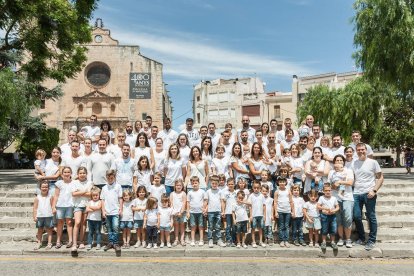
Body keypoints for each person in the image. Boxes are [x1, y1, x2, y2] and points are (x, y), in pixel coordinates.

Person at [352, 143, 383, 251]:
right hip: (356, 193)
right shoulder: (354, 163)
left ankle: (371, 240)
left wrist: (374, 190)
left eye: (362, 149)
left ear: (366, 150)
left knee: (371, 216)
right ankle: (361, 237)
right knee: (356, 216)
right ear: (356, 151)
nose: (361, 151)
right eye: (358, 150)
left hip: (369, 193)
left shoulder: (373, 162)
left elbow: (380, 178)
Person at [328, 155, 354, 248]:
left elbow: (350, 183)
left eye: (340, 160)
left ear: (343, 162)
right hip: (335, 198)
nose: (338, 162)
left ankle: (348, 239)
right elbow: (330, 185)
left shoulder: (348, 171)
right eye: (337, 160)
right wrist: (334, 185)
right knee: (338, 220)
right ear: (334, 162)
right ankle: (341, 238)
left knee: (347, 218)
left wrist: (339, 182)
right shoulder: (331, 172)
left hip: (347, 197)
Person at [52, 166, 74, 249]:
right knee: (60, 223)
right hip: (60, 205)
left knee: (69, 223)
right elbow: (56, 196)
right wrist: (53, 207)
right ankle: (58, 241)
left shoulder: (74, 182)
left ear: (71, 173)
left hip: (70, 205)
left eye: (68, 172)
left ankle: (70, 240)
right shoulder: (59, 183)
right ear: (62, 174)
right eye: (65, 172)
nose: (66, 174)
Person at [71, 167, 92, 251]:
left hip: (86, 205)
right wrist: (85, 191)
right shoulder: (74, 182)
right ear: (78, 174)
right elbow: (73, 194)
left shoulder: (90, 182)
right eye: (80, 173)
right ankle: (74, 243)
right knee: (77, 222)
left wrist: (79, 192)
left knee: (83, 223)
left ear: (86, 174)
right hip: (77, 205)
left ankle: (81, 242)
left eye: (84, 173)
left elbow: (90, 194)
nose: (82, 175)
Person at [101, 169, 123, 252]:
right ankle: (110, 243)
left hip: (115, 211)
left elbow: (120, 198)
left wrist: (121, 209)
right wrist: (103, 211)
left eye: (112, 178)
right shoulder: (104, 188)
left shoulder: (118, 186)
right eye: (108, 178)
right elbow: (102, 200)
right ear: (106, 177)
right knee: (109, 228)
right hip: (107, 211)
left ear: (114, 177)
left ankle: (116, 243)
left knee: (115, 227)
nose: (110, 179)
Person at [204, 175, 226, 248]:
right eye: (213, 183)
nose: (214, 185)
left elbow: (222, 201)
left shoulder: (220, 191)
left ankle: (219, 239)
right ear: (210, 183)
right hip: (210, 211)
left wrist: (223, 211)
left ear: (218, 183)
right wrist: (204, 210)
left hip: (218, 211)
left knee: (218, 226)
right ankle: (210, 239)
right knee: (210, 226)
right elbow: (206, 201)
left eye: (216, 184)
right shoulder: (208, 192)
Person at [317, 183, 340, 250]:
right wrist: (325, 209)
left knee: (333, 229)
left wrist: (334, 210)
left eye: (329, 190)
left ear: (331, 191)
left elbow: (337, 207)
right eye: (326, 190)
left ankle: (332, 242)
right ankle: (324, 242)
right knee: (324, 229)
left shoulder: (334, 198)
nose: (328, 192)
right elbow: (318, 206)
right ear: (323, 191)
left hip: (333, 216)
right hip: (324, 216)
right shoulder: (321, 198)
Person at [33, 181, 54, 250]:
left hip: (49, 215)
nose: (44, 188)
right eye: (43, 187)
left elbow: (52, 206)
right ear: (40, 188)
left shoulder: (50, 197)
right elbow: (35, 208)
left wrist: (53, 215)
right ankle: (39, 242)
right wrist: (34, 216)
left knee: (49, 229)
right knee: (40, 229)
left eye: (46, 187)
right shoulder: (37, 197)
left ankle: (49, 243)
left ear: (48, 188)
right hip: (40, 216)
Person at [274, 177, 293, 247]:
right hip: (280, 211)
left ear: (286, 183)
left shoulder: (288, 191)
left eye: (283, 182)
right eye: (280, 182)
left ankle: (286, 240)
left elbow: (291, 201)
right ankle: (282, 240)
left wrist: (292, 211)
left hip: (287, 211)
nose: (282, 183)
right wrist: (276, 212)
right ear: (278, 183)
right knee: (281, 226)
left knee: (287, 226)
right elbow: (275, 202)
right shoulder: (277, 191)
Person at [186, 176, 205, 246]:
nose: (194, 184)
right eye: (193, 183)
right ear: (191, 184)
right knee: (193, 226)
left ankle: (201, 240)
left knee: (201, 226)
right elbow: (188, 202)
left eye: (196, 183)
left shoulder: (202, 191)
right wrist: (188, 212)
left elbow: (205, 201)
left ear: (199, 183)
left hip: (200, 212)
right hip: (192, 212)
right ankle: (193, 240)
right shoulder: (190, 192)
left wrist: (204, 209)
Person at [248, 180, 267, 248]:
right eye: (254, 188)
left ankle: (261, 241)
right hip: (254, 215)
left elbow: (264, 205)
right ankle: (253, 242)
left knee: (260, 228)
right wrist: (250, 215)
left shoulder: (261, 195)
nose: (256, 189)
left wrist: (264, 215)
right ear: (252, 188)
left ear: (260, 188)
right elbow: (250, 206)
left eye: (258, 188)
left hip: (261, 215)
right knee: (253, 229)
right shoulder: (251, 196)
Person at [170, 179, 187, 246]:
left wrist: (181, 212)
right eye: (177, 185)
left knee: (182, 226)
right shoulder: (172, 194)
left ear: (182, 186)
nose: (178, 186)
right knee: (176, 226)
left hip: (182, 213)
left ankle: (182, 239)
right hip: (175, 213)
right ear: (175, 186)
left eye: (180, 185)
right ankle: (176, 239)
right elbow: (171, 204)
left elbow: (184, 203)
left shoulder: (183, 193)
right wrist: (174, 212)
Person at [221, 177, 237, 247]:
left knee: (234, 227)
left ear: (234, 184)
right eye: (229, 184)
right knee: (228, 227)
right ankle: (228, 240)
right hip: (227, 212)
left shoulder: (236, 192)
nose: (231, 185)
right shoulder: (225, 193)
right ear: (227, 184)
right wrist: (223, 211)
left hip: (235, 213)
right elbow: (223, 203)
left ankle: (233, 241)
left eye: (232, 184)